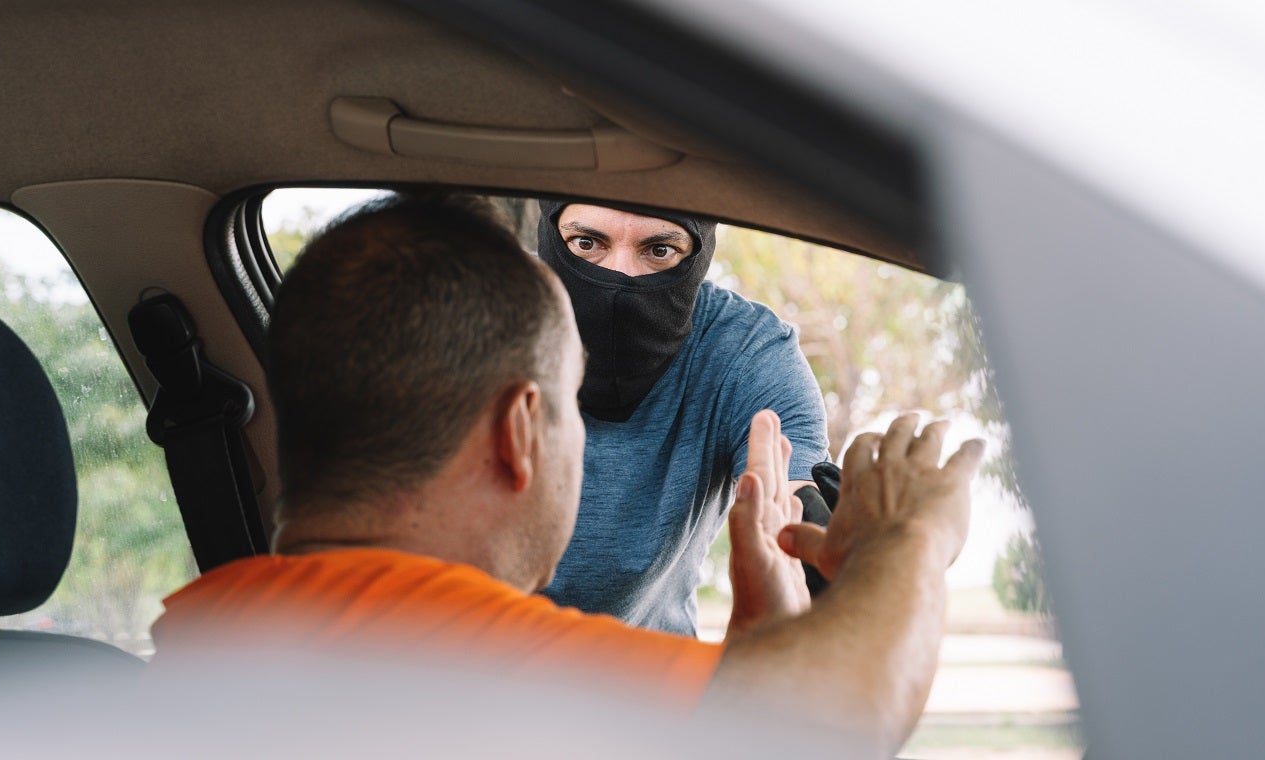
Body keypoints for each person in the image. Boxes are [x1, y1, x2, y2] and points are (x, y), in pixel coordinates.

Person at [148, 193, 983, 754]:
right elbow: (832, 722)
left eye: (656, 248)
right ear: (520, 432)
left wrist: (764, 646)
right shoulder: (495, 668)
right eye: (567, 405)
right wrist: (911, 538)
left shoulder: (199, 633)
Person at [535, 201, 831, 635]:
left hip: (653, 685)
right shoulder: (478, 316)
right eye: (586, 243)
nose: (622, 277)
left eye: (658, 251)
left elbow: (795, 503)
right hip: (458, 673)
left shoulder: (746, 352)